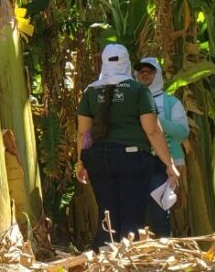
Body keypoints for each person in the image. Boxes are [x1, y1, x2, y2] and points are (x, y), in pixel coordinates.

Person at [75, 44, 179, 248]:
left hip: (98, 159)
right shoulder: (138, 90)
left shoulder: (90, 91)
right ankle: (127, 264)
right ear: (127, 63)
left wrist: (81, 162)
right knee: (132, 219)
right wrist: (169, 163)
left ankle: (103, 263)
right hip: (132, 158)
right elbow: (152, 130)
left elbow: (82, 132)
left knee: (107, 216)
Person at [134, 57, 188, 237]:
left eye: (149, 71)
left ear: (157, 74)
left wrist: (155, 121)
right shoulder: (131, 100)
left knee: (159, 208)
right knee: (138, 209)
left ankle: (164, 247)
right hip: (138, 160)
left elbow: (182, 132)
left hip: (163, 161)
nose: (145, 74)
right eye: (141, 71)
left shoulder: (171, 102)